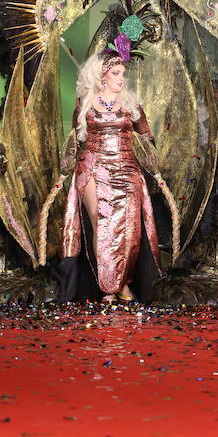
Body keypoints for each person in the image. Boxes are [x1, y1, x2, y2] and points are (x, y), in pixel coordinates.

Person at [60, 52, 161, 303]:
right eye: (116, 73)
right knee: (101, 223)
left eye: (123, 74)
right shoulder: (85, 102)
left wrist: (155, 169)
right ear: (101, 75)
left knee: (129, 229)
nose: (121, 78)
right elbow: (74, 139)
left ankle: (124, 282)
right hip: (93, 167)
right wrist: (63, 170)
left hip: (126, 169)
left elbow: (147, 138)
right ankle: (107, 288)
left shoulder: (132, 104)